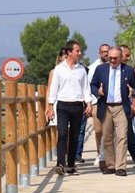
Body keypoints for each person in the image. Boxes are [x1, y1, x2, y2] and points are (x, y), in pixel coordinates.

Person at [90, 46, 135, 176]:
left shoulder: (128, 70)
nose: (112, 60)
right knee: (107, 137)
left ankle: (121, 166)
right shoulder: (100, 69)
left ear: (121, 57)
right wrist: (97, 92)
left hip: (121, 107)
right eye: (110, 58)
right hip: (105, 106)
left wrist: (132, 91)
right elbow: (93, 85)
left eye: (115, 58)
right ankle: (110, 165)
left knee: (122, 137)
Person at [45, 40, 92, 176]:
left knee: (75, 136)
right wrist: (50, 106)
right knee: (63, 134)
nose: (79, 53)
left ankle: (71, 164)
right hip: (63, 105)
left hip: (77, 105)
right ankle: (60, 163)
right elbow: (53, 88)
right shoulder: (59, 69)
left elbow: (85, 88)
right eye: (77, 51)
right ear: (69, 52)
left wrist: (88, 103)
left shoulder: (81, 70)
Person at [87, 43, 110, 171]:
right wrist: (89, 102)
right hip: (96, 102)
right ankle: (99, 153)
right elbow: (89, 86)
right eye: (103, 52)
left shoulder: (114, 66)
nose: (105, 54)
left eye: (107, 51)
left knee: (110, 130)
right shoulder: (92, 68)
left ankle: (109, 154)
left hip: (111, 103)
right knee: (99, 131)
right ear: (99, 53)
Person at [119, 44, 135, 163]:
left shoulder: (129, 70)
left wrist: (133, 91)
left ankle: (132, 151)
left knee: (129, 133)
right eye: (126, 55)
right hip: (109, 107)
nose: (128, 58)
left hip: (125, 107)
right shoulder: (105, 69)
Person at [46, 48, 68, 127]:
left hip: (70, 103)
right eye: (65, 57)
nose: (67, 59)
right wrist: (47, 107)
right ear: (60, 58)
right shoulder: (54, 71)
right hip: (56, 104)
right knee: (59, 131)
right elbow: (49, 90)